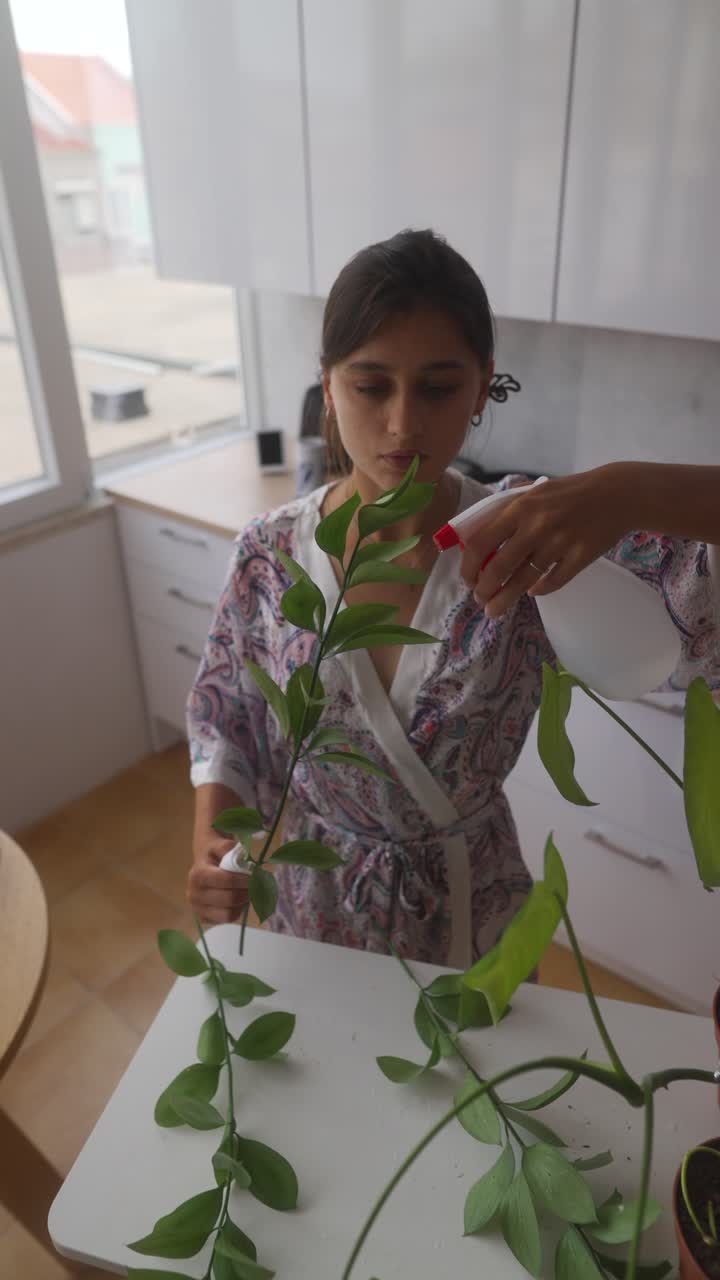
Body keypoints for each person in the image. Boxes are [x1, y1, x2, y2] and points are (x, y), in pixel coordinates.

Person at [186, 228, 719, 967]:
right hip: (315, 909)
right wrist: (211, 839)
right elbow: (226, 714)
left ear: (481, 387)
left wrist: (629, 488)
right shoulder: (270, 558)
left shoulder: (529, 537)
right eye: (371, 385)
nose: (403, 424)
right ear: (328, 386)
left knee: (478, 1076)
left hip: (474, 912)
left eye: (438, 387)